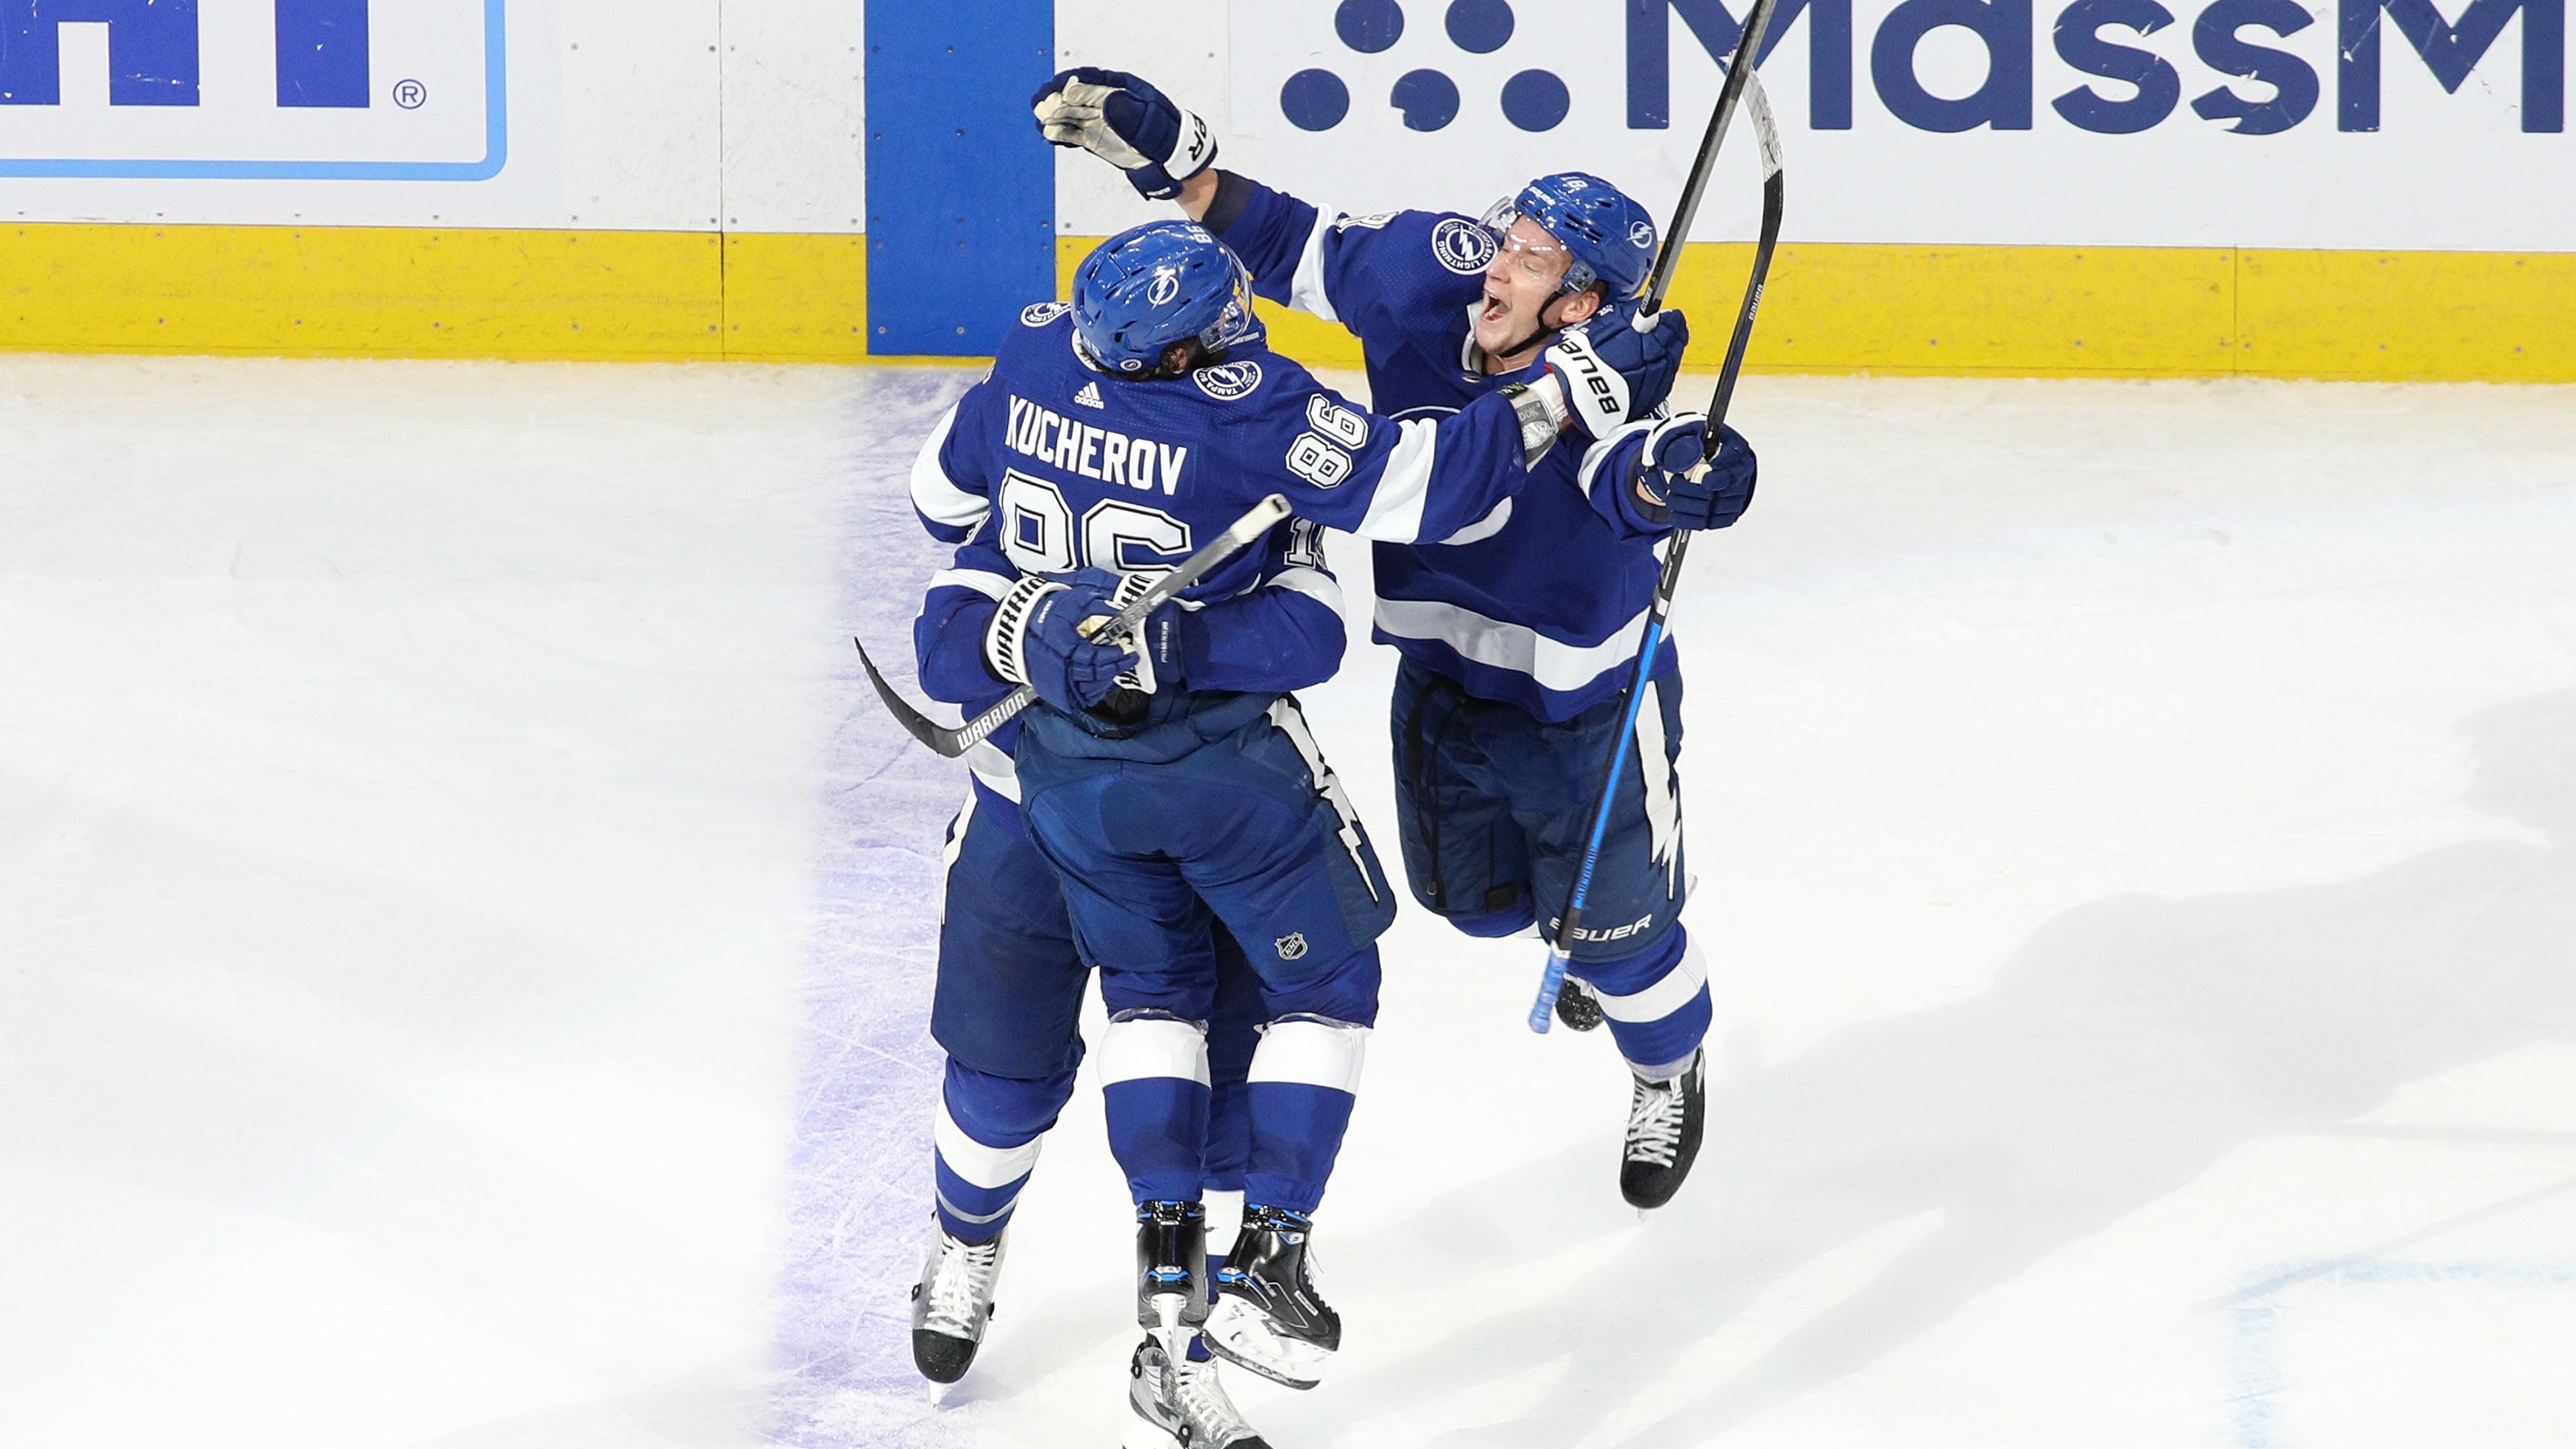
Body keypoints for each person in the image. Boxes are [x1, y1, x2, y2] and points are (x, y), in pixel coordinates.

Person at [903, 219, 1691, 1444]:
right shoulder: (1262, 409)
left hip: (1033, 780)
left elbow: (935, 510)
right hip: (1175, 795)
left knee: (1043, 1066)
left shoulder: (1033, 352)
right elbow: (1392, 527)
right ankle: (1009, 1254)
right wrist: (1578, 388)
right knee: (1127, 1048)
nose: (1240, 329)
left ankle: (1151, 1311)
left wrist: (1032, 626)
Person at [1035, 69, 1763, 1211]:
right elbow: (1284, 237)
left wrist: (1692, 479)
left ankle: (1668, 1061)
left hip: (1587, 711)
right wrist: (1166, 161)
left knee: (1626, 946)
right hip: (1438, 681)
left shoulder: (1616, 394)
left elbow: (1639, 482)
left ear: (1580, 304)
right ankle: (1578, 932)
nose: (1496, 264)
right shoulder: (1435, 271)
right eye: (1509, 235)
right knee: (1470, 911)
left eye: (1530, 259)